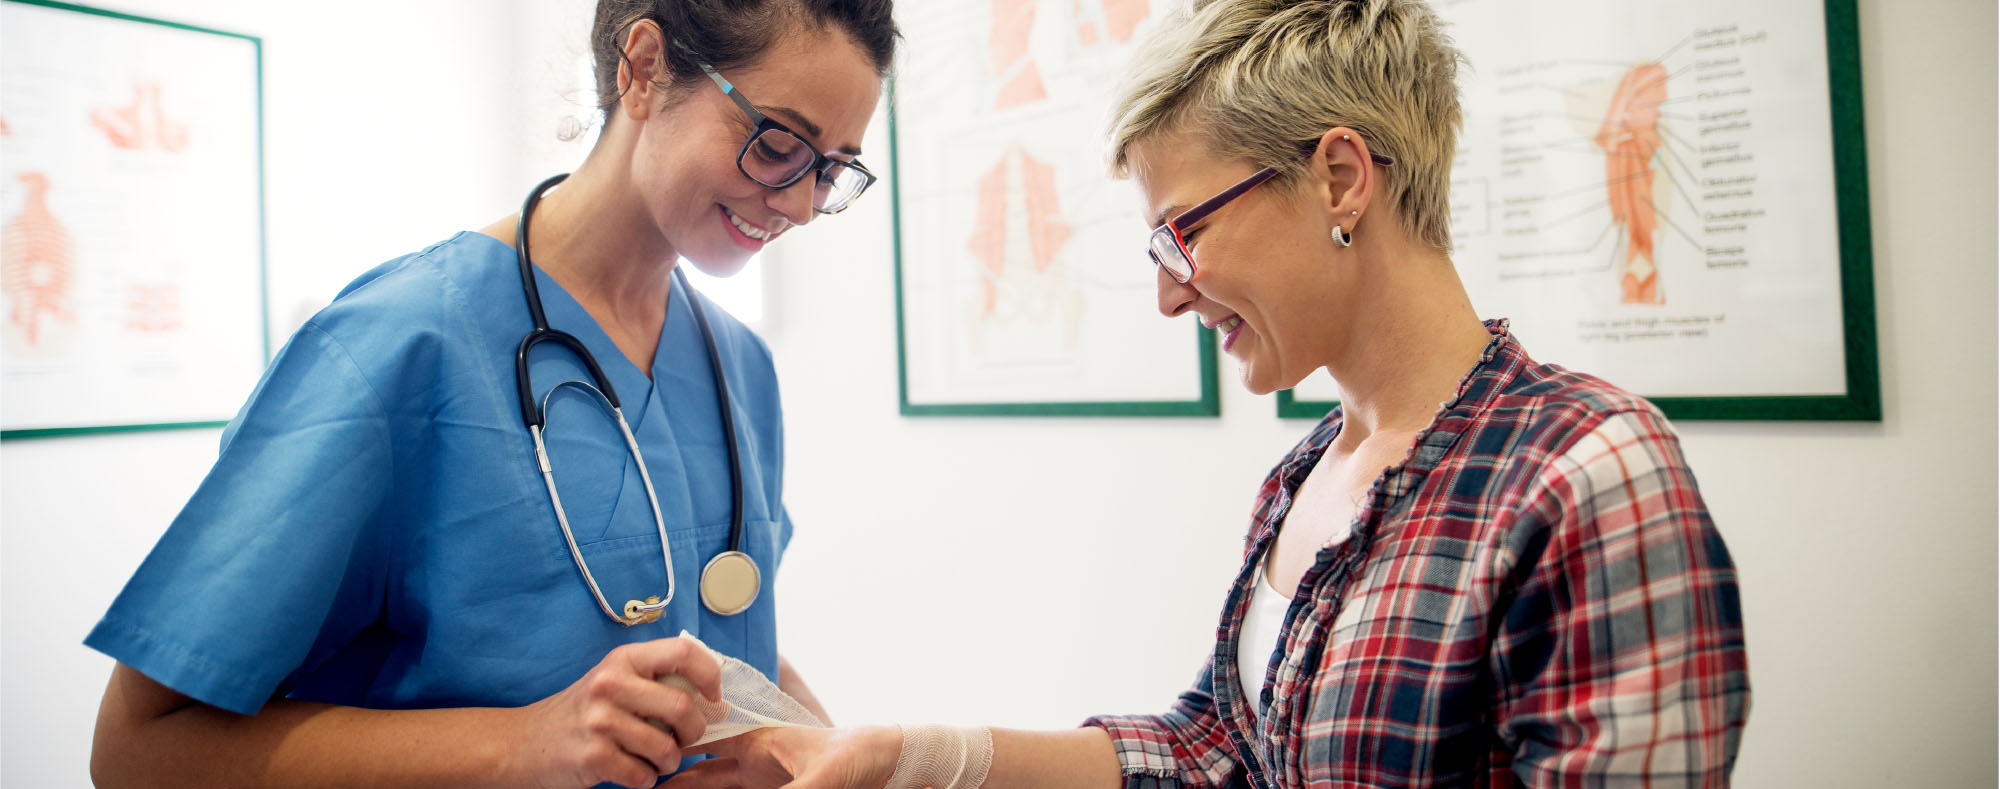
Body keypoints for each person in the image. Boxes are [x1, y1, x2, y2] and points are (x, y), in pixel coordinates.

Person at [668, 0, 1750, 786]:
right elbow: (1211, 750)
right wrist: (909, 758)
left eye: (1181, 231)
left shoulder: (1586, 473)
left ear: (1338, 177)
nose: (1166, 297)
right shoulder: (1304, 478)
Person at [84, 2, 896, 786]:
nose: (798, 203)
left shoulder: (737, 367)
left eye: (831, 171)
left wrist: (826, 756)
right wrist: (524, 745)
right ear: (644, 68)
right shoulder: (395, 348)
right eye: (779, 142)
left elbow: (711, 632)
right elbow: (137, 748)